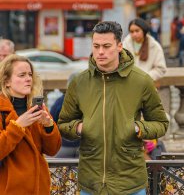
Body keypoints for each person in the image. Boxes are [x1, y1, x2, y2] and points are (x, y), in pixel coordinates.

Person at [58, 21, 169, 195]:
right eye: (96, 46)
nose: (100, 52)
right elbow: (64, 124)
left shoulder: (141, 81)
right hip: (90, 181)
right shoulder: (79, 82)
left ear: (119, 46)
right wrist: (80, 128)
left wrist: (137, 128)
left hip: (130, 180)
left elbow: (161, 123)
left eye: (106, 46)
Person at [0, 54, 61, 194]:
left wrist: (48, 125)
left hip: (39, 189)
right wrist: (17, 126)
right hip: (9, 189)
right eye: (21, 75)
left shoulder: (37, 108)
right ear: (6, 81)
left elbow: (53, 150)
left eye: (30, 74)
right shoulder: (2, 109)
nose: (28, 79)